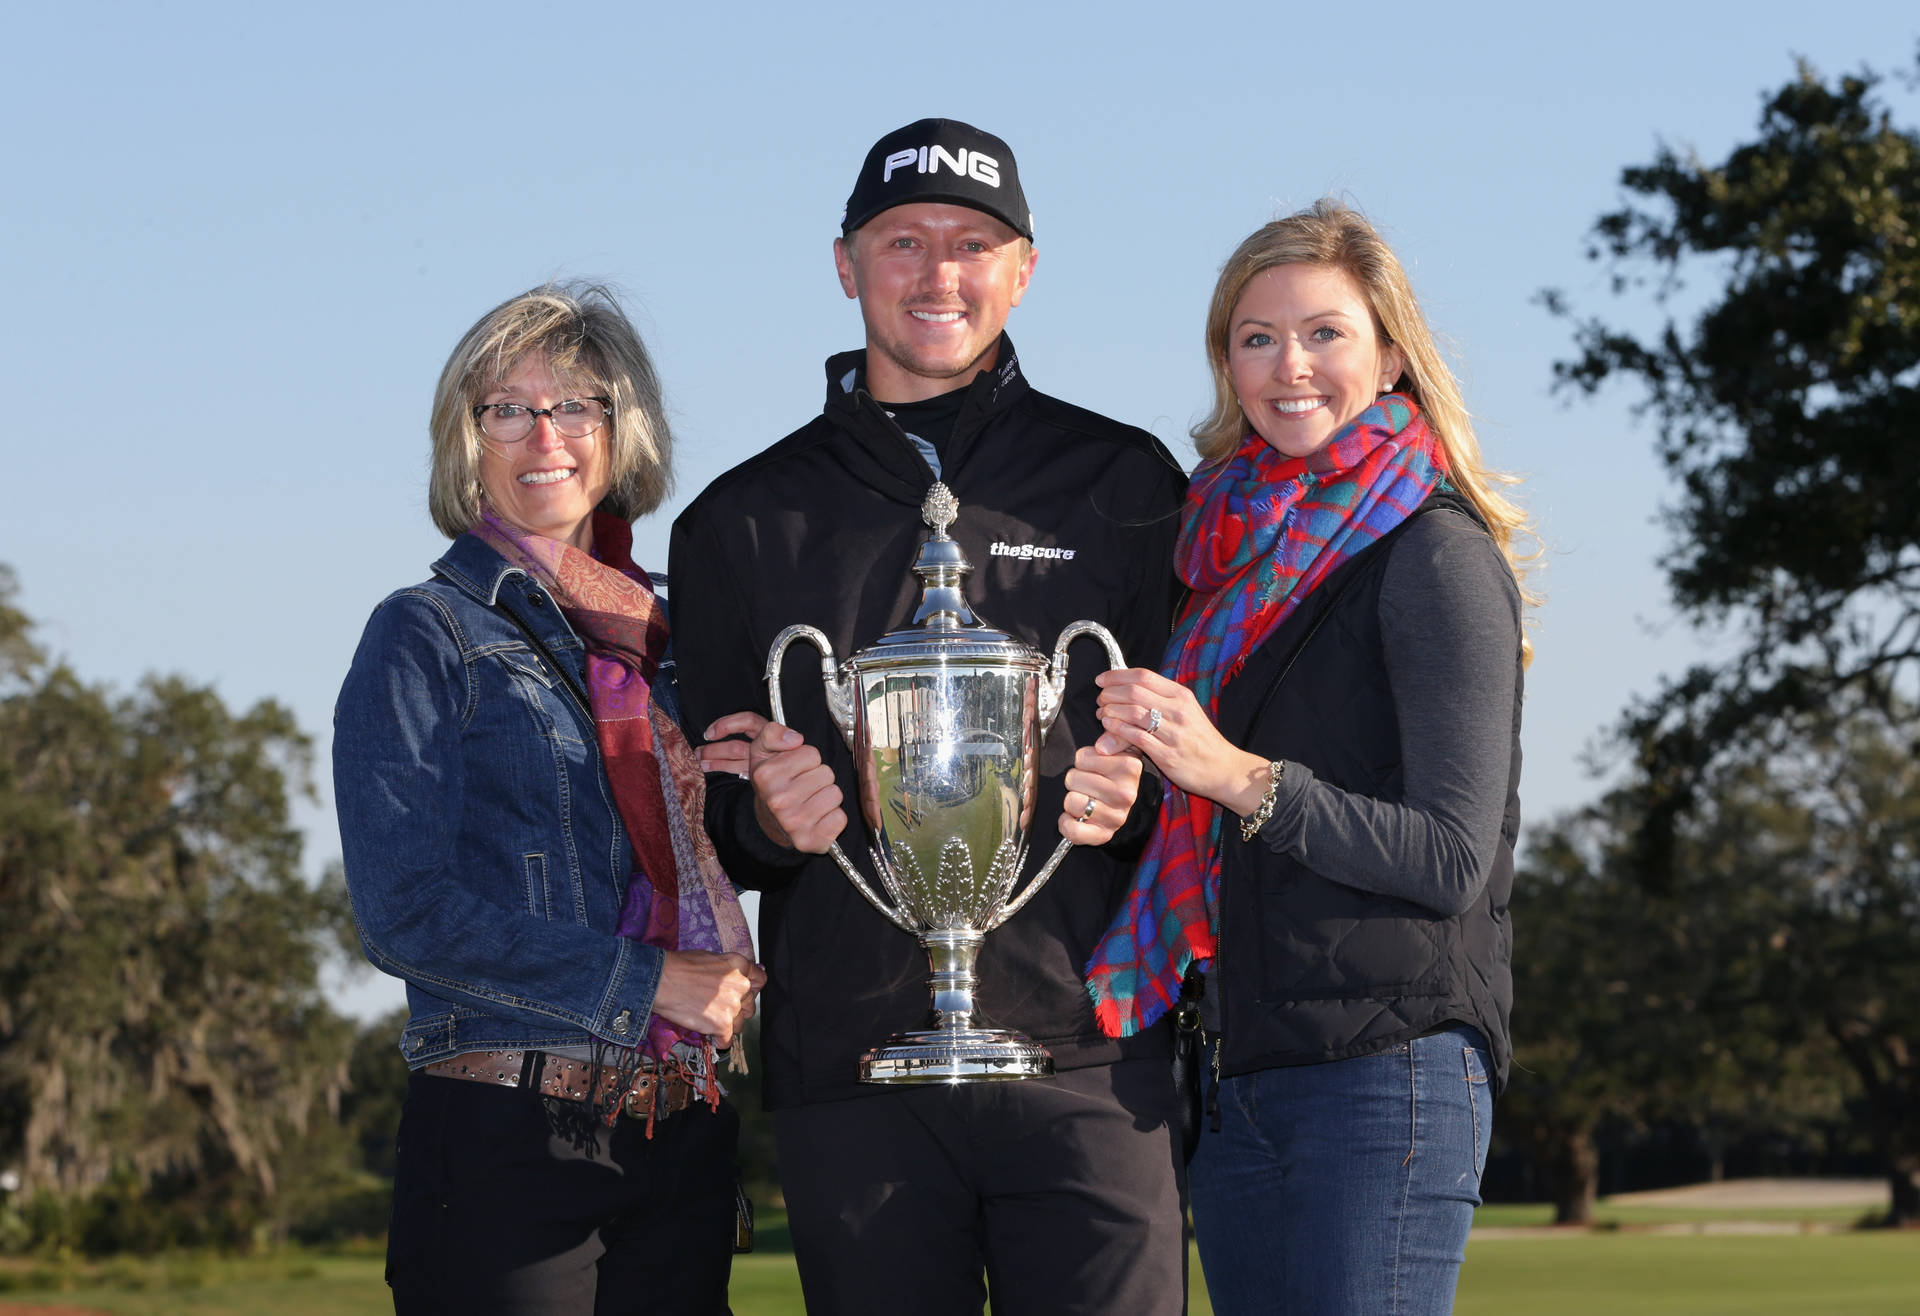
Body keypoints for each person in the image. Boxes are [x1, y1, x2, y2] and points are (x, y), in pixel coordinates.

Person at [667, 119, 1191, 1316]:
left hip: (1094, 1055)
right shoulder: (741, 523)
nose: (937, 273)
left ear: (1025, 270)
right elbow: (706, 820)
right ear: (846, 264)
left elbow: (1191, 750)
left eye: (972, 243)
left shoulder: (1125, 483)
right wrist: (765, 824)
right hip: (852, 1068)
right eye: (903, 241)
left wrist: (1143, 790)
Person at [1085, 200, 1530, 1315]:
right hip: (1238, 1077)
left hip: (1387, 1074)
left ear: (1389, 354)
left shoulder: (1434, 552)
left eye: (1325, 332)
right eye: (1256, 336)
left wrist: (1236, 773)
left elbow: (1449, 856)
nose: (1291, 366)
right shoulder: (1215, 559)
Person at [333, 282, 766, 1315]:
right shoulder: (425, 632)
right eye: (506, 408)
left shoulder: (674, 643)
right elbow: (404, 911)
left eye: (575, 406)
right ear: (466, 438)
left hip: (677, 1135)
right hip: (503, 1143)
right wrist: (645, 978)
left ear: (621, 434)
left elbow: (731, 852)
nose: (544, 435)